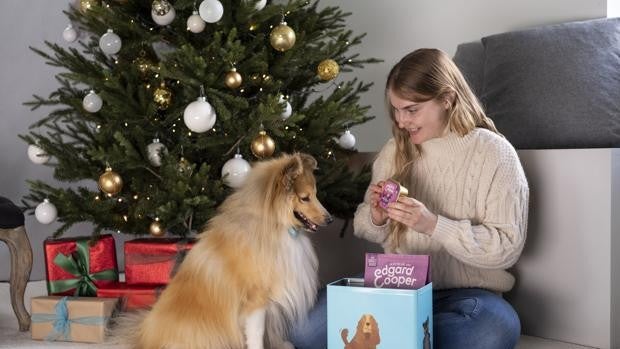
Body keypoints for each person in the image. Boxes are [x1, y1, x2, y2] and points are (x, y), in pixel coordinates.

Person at [290, 48, 529, 349]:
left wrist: (432, 224)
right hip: (398, 288)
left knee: (491, 331)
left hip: (468, 296)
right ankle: (404, 336)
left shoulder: (494, 153)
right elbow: (364, 224)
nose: (402, 122)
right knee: (302, 329)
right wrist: (376, 216)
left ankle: (393, 337)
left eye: (412, 110)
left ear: (447, 98)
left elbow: (506, 248)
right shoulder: (395, 150)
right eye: (396, 110)